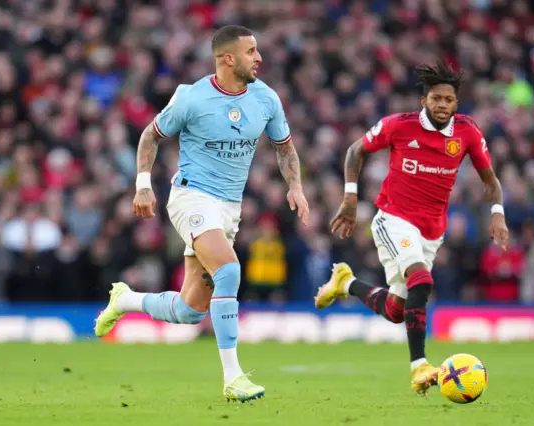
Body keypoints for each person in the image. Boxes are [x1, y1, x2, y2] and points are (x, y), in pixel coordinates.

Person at [94, 25, 309, 402]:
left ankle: (125, 300)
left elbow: (285, 148)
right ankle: (233, 377)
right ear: (228, 58)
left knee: (191, 309)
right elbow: (150, 136)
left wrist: (295, 186)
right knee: (229, 270)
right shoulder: (192, 98)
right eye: (251, 51)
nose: (259, 58)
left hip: (229, 208)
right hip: (192, 197)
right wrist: (143, 183)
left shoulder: (266, 99)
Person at [314, 62, 509, 396]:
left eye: (449, 99)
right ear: (424, 101)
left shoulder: (468, 132)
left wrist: (497, 213)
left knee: (396, 310)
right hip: (393, 218)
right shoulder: (398, 126)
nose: (443, 105)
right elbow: (355, 150)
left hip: (432, 232)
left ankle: (345, 283)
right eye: (436, 98)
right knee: (422, 280)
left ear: (457, 103)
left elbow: (490, 181)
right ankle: (419, 366)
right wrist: (349, 197)